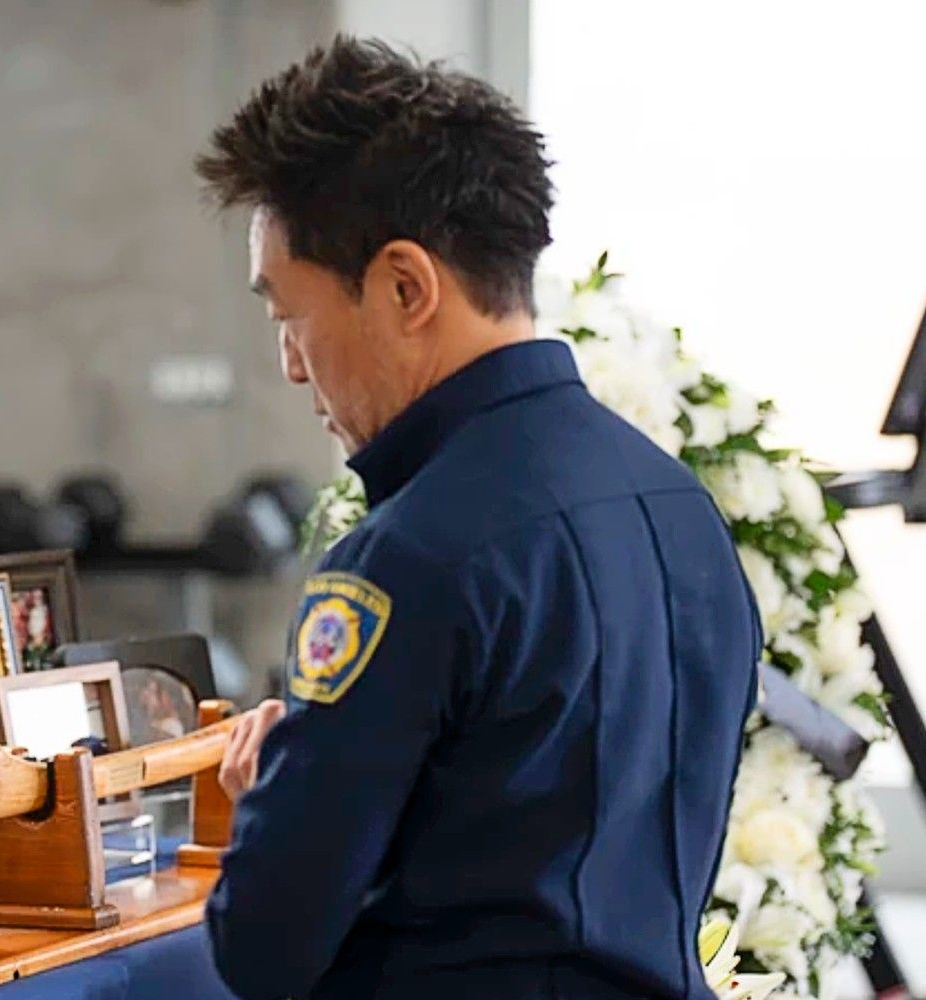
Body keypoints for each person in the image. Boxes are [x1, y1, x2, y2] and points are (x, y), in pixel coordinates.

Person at [195, 37, 760, 1000]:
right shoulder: (677, 502)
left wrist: (270, 802)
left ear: (406, 287)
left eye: (290, 315)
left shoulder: (404, 560)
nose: (292, 365)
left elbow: (267, 946)